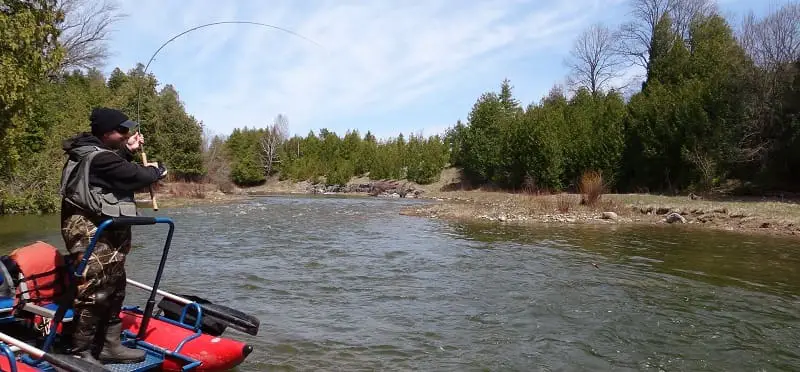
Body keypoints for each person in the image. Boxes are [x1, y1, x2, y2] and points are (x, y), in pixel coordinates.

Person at [59, 107, 167, 365]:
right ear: (107, 133)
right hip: (89, 231)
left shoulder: (99, 155)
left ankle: (109, 345)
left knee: (116, 286)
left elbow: (114, 167)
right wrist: (157, 170)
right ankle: (80, 351)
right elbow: (133, 176)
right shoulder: (98, 158)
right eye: (122, 130)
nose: (127, 133)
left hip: (105, 230)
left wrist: (128, 150)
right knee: (94, 290)